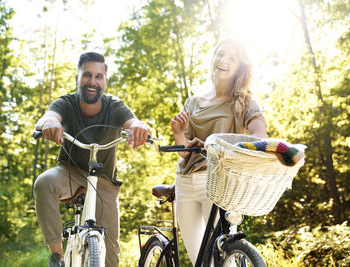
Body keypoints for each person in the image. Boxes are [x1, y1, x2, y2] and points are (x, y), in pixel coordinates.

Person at [34, 52, 151, 267]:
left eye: (98, 76)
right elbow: (49, 116)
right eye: (87, 75)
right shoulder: (67, 103)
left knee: (111, 258)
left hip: (104, 180)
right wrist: (50, 123)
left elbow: (133, 121)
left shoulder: (114, 105)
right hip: (70, 171)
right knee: (44, 183)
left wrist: (139, 126)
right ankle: (56, 256)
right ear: (77, 78)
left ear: (105, 81)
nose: (92, 81)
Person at [170, 39, 268, 264]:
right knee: (200, 259)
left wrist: (219, 145)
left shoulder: (244, 102)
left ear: (239, 67)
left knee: (224, 255)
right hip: (185, 182)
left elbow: (260, 137)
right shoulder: (193, 102)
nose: (223, 60)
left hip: (218, 183)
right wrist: (178, 133)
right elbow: (184, 152)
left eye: (231, 58)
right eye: (220, 54)